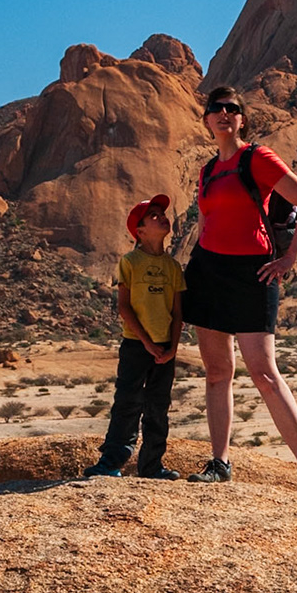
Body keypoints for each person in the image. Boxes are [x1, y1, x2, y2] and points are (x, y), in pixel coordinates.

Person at [181, 86, 297, 495]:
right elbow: (205, 222)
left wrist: (290, 258)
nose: (224, 114)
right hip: (209, 271)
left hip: (253, 273)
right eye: (216, 109)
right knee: (217, 373)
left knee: (264, 372)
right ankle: (220, 462)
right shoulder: (208, 170)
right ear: (207, 120)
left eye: (232, 109)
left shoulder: (258, 158)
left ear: (241, 119)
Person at [83, 196, 185, 480]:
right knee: (127, 402)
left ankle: (152, 466)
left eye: (162, 213)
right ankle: (111, 462)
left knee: (158, 408)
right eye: (153, 215)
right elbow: (124, 308)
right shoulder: (130, 262)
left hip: (165, 349)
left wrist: (172, 348)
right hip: (136, 346)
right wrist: (147, 343)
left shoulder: (173, 267)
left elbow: (178, 313)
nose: (161, 217)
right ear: (139, 231)